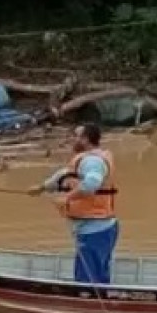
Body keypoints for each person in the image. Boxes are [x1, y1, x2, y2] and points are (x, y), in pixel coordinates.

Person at [33, 120, 119, 285]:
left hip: (95, 229)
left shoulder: (92, 162)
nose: (72, 139)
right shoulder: (86, 159)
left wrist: (67, 198)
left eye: (76, 136)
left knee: (88, 280)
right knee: (95, 274)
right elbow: (65, 175)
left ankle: (91, 305)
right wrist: (42, 188)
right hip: (97, 228)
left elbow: (91, 184)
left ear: (85, 139)